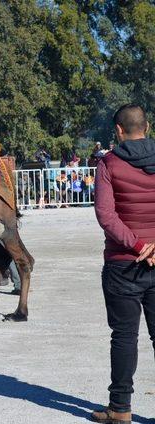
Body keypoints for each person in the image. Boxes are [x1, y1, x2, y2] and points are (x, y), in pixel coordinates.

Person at [91, 104, 155, 423]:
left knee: (125, 337)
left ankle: (120, 409)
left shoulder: (109, 163)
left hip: (123, 264)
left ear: (118, 130)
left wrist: (139, 245)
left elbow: (106, 214)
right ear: (148, 126)